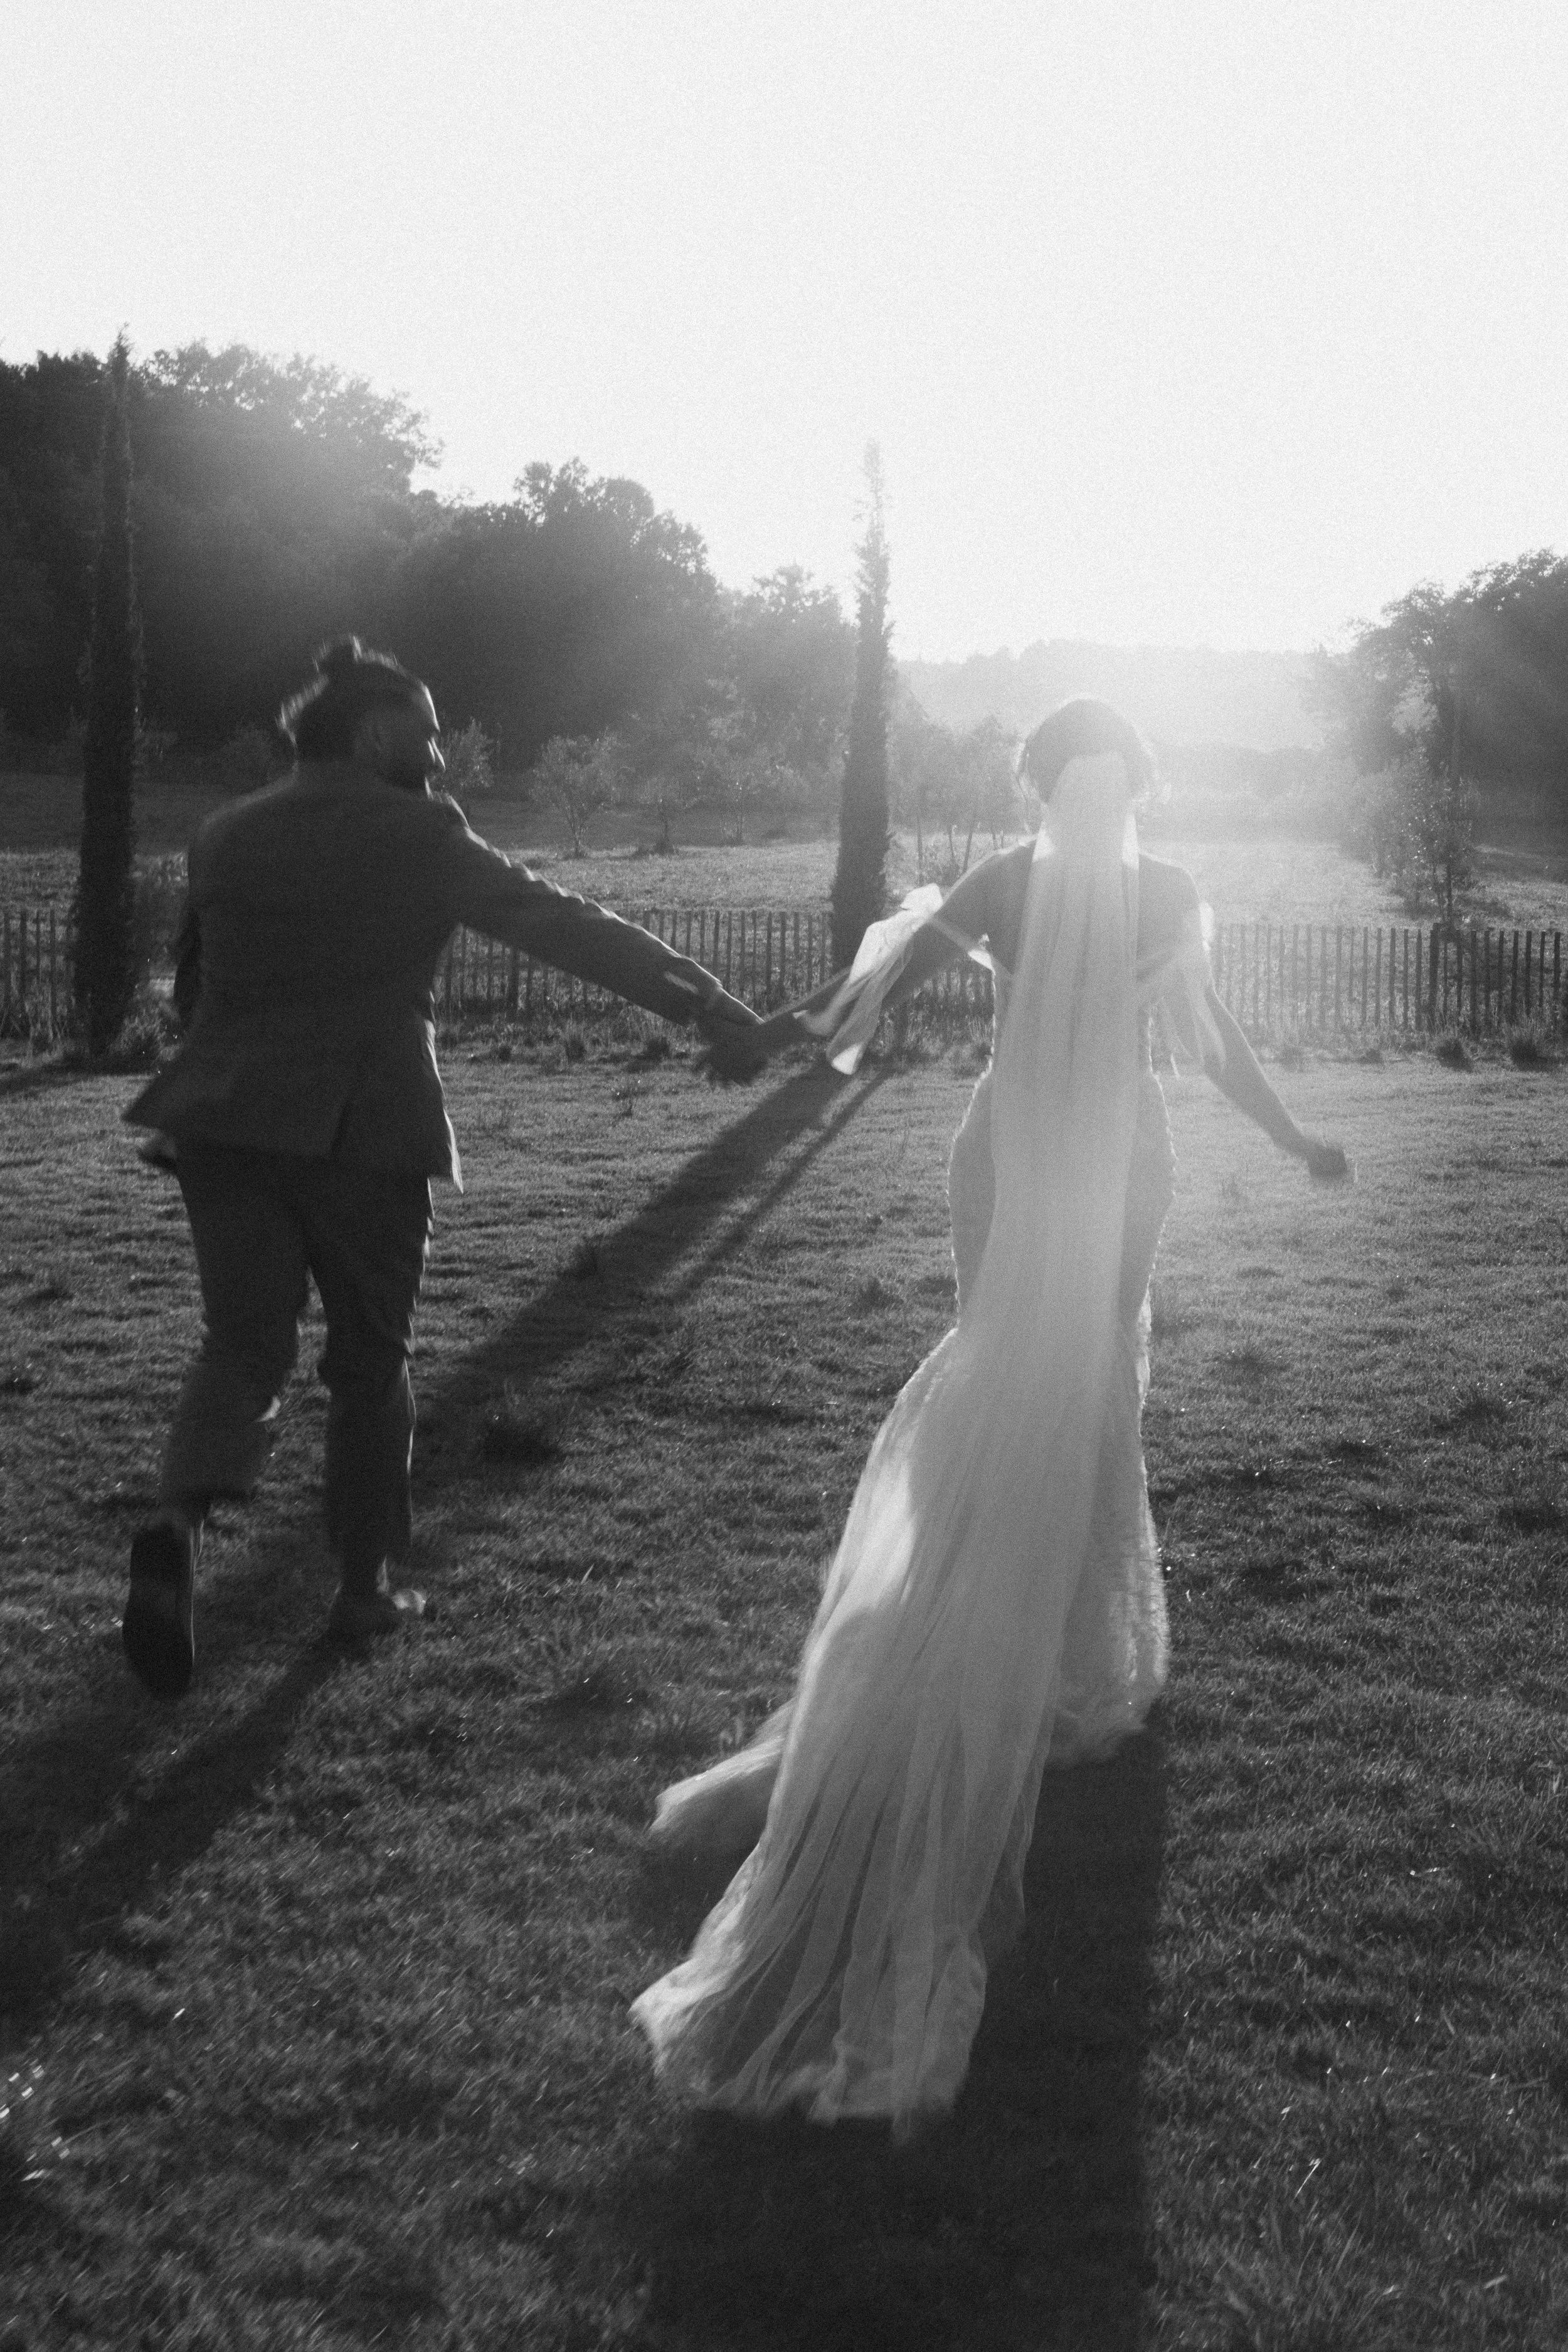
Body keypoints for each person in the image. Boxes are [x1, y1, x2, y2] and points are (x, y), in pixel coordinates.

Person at [633, 697, 1348, 2132]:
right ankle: (1046, 1653)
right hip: (1105, 1152)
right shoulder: (1168, 890)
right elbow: (1204, 1047)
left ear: (1037, 783)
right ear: (1138, 782)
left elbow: (875, 984)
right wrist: (1287, 1137)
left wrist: (771, 1026)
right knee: (1086, 1391)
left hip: (1009, 1140)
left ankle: (1006, 1627)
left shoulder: (1001, 883)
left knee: (1013, 1370)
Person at [120, 637, 759, 1700]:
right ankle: (363, 1589)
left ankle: (173, 1521)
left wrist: (206, 1094)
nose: (441, 757)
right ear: (374, 733)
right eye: (425, 732)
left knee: (241, 1342)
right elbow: (557, 922)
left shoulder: (225, 831)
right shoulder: (415, 828)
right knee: (370, 1358)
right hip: (360, 1128)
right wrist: (698, 997)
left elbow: (195, 982)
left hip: (219, 1123)